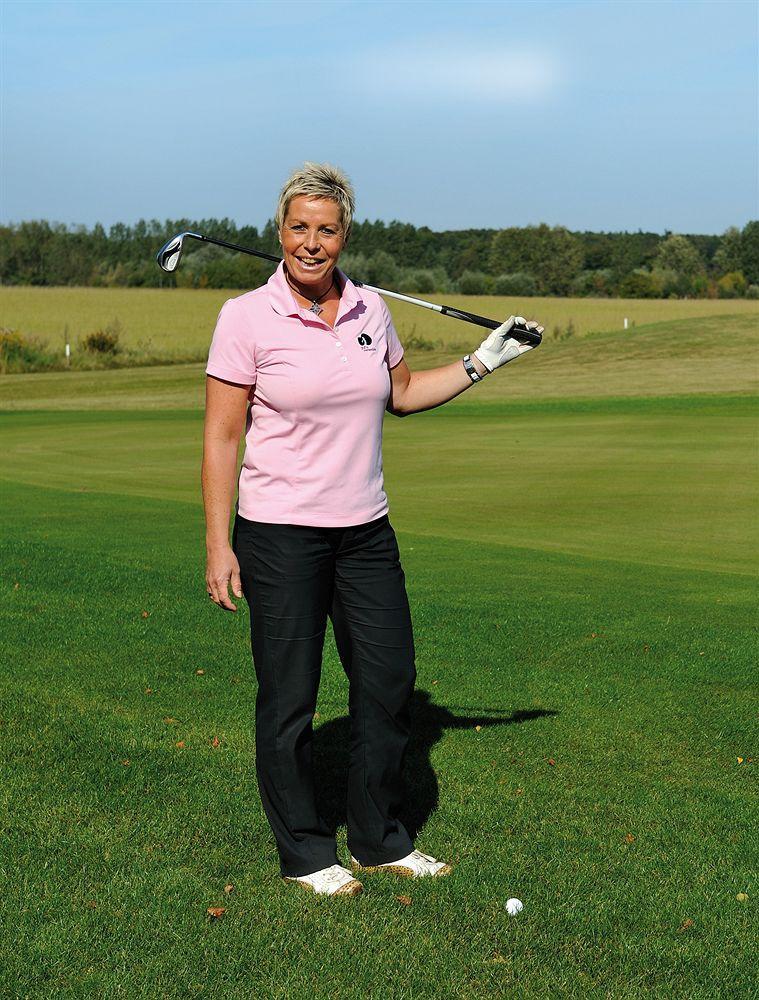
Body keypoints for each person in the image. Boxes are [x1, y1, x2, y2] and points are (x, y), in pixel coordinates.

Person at [202, 161, 543, 898]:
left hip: (365, 533)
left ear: (345, 233)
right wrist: (217, 543)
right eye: (300, 227)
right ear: (280, 231)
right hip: (279, 534)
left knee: (389, 685)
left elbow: (406, 393)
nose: (312, 242)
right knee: (289, 698)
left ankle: (379, 839)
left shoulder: (369, 312)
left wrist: (486, 360)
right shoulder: (245, 318)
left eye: (327, 229)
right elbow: (221, 437)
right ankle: (304, 852)